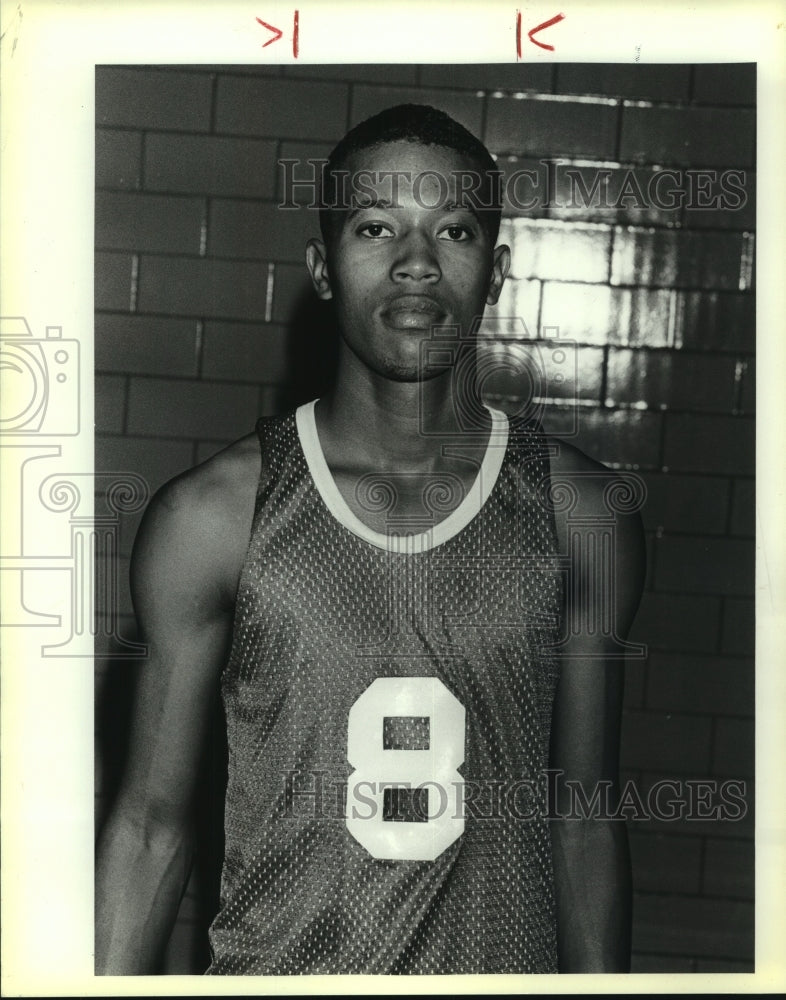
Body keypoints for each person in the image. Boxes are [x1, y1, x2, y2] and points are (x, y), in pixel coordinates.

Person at [95, 104, 645, 975]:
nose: (417, 263)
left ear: (496, 272)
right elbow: (151, 826)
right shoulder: (212, 516)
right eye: (375, 226)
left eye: (453, 230)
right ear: (322, 266)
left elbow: (582, 818)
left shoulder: (579, 513)